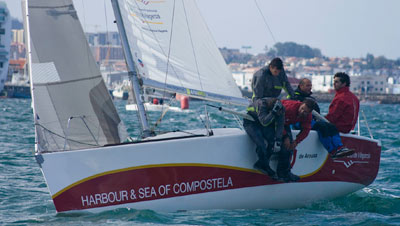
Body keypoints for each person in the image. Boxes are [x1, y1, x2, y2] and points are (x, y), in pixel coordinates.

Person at [291, 78, 353, 159]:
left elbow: (317, 113)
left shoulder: (311, 99)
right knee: (322, 127)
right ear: (301, 86)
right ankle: (332, 151)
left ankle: (339, 148)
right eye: (307, 86)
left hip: (311, 121)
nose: (310, 88)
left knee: (332, 126)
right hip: (299, 122)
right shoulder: (295, 97)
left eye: (310, 86)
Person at [276, 99, 316, 182]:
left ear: (309, 112)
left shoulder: (308, 116)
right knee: (285, 144)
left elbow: (306, 130)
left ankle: (285, 172)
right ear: (301, 104)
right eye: (302, 109)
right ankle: (281, 173)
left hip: (285, 123)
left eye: (305, 112)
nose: (302, 112)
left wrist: (296, 141)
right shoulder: (289, 108)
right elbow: (277, 121)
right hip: (275, 120)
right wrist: (285, 136)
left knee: (290, 146)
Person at [243, 98, 284, 179]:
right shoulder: (262, 104)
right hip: (251, 121)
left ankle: (261, 163)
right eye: (278, 112)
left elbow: (280, 124)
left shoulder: (281, 108)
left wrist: (278, 139)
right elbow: (264, 122)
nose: (279, 114)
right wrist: (273, 113)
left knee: (273, 142)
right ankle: (265, 166)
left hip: (265, 122)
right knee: (261, 144)